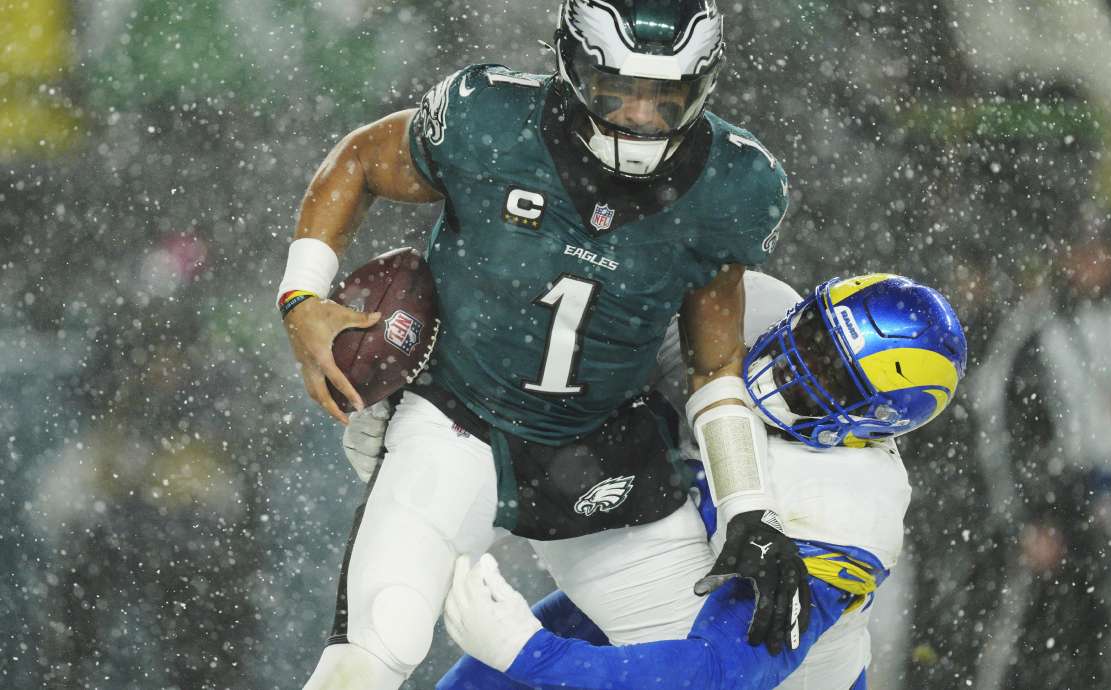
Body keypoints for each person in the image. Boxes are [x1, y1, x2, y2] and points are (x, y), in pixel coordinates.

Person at [277, 2, 804, 687]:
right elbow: (361, 161)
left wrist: (747, 507)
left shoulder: (731, 185)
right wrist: (301, 295)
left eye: (665, 96)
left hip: (602, 447)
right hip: (456, 423)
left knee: (703, 669)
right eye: (619, 88)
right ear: (574, 66)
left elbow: (715, 363)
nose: (641, 117)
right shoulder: (489, 118)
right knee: (379, 639)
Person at [434, 273, 968, 689]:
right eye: (812, 335)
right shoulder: (755, 307)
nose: (794, 365)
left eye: (831, 377)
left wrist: (532, 653)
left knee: (523, 658)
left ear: (871, 424)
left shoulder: (844, 514)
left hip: (753, 670)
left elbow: (716, 674)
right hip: (690, 564)